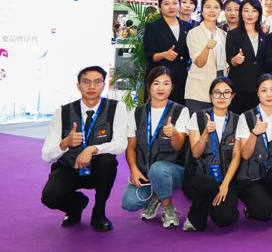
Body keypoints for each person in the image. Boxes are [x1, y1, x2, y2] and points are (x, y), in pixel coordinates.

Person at [41, 66, 128, 232]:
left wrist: (92, 149)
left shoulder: (116, 108)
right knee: (50, 198)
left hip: (99, 169)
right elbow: (46, 155)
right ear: (78, 85)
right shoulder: (63, 112)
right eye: (86, 82)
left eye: (97, 82)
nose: (91, 86)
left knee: (107, 161)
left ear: (104, 85)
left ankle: (99, 214)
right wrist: (64, 143)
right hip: (69, 167)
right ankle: (76, 206)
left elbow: (120, 143)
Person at [120, 68, 190, 228]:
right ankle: (155, 197)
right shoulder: (137, 112)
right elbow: (131, 147)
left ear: (172, 87)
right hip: (144, 172)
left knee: (158, 169)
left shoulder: (181, 111)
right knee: (129, 203)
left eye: (166, 83)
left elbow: (178, 146)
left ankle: (167, 207)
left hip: (172, 171)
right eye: (156, 83)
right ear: (149, 85)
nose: (161, 88)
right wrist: (133, 170)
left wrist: (174, 134)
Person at [181, 76, 242, 231]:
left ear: (233, 96)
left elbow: (237, 156)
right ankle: (195, 217)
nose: (221, 97)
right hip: (199, 177)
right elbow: (195, 153)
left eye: (226, 93)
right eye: (217, 92)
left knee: (225, 217)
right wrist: (205, 133)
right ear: (210, 95)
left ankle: (213, 203)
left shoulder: (238, 121)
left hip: (224, 178)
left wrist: (225, 184)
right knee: (207, 184)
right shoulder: (198, 116)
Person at [235, 74, 272, 225]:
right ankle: (254, 205)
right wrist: (254, 133)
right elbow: (245, 155)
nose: (269, 95)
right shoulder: (245, 117)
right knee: (262, 212)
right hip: (251, 175)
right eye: (264, 90)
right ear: (257, 92)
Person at [143, 0, 192, 104]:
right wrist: (163, 54)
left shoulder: (188, 26)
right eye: (166, 4)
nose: (171, 7)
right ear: (160, 7)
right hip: (159, 78)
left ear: (179, 5)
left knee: (178, 110)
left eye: (175, 3)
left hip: (181, 78)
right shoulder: (152, 26)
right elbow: (149, 55)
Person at [225, 0, 267, 115]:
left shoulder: (263, 36)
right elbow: (230, 59)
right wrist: (236, 59)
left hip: (258, 88)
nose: (250, 14)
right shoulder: (233, 34)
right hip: (239, 87)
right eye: (246, 10)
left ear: (259, 13)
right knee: (237, 119)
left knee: (254, 120)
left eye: (254, 11)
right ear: (241, 13)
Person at [186, 0, 228, 113]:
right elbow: (199, 63)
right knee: (198, 122)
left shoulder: (223, 34)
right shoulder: (194, 33)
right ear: (202, 10)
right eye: (208, 7)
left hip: (220, 86)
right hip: (199, 88)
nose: (212, 10)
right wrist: (207, 47)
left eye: (216, 7)